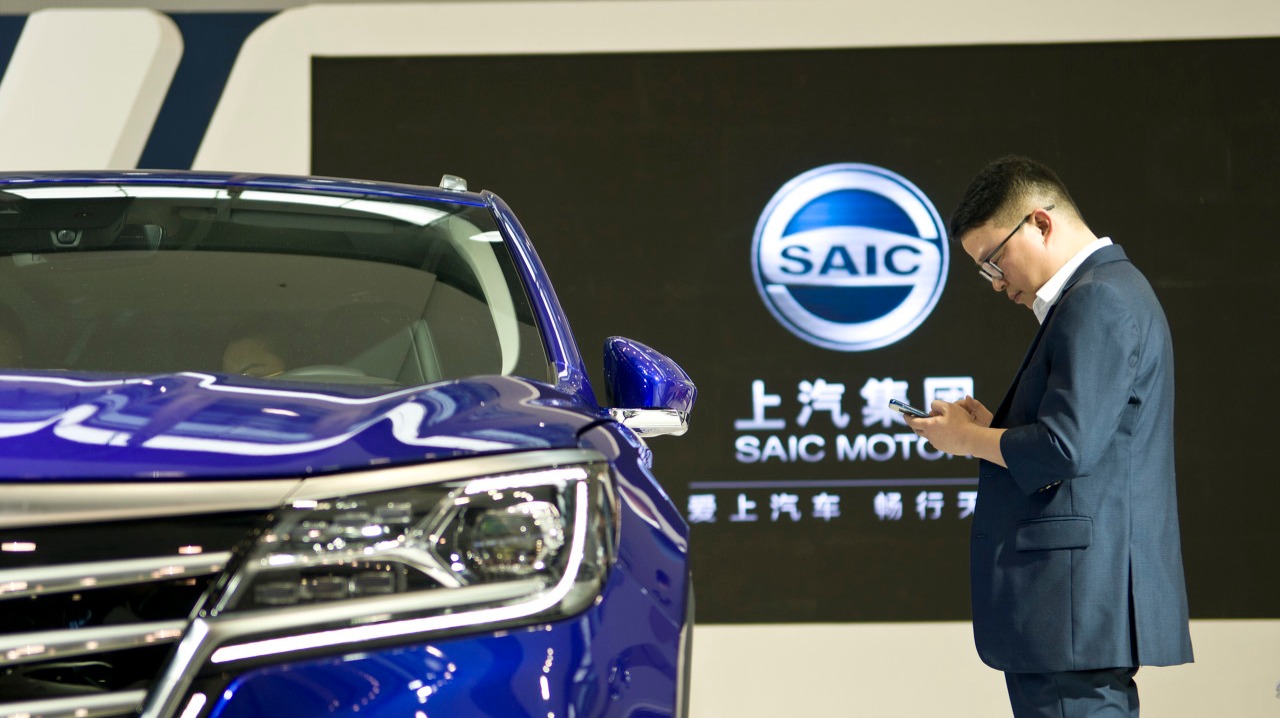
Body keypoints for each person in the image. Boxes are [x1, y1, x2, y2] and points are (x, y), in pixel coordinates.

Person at [906, 156, 1193, 717]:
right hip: (1075, 611)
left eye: (994, 261)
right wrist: (990, 432)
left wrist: (966, 440)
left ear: (1039, 223)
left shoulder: (1099, 298)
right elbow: (1085, 438)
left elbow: (1065, 447)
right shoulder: (1104, 292)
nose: (996, 282)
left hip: (1071, 608)